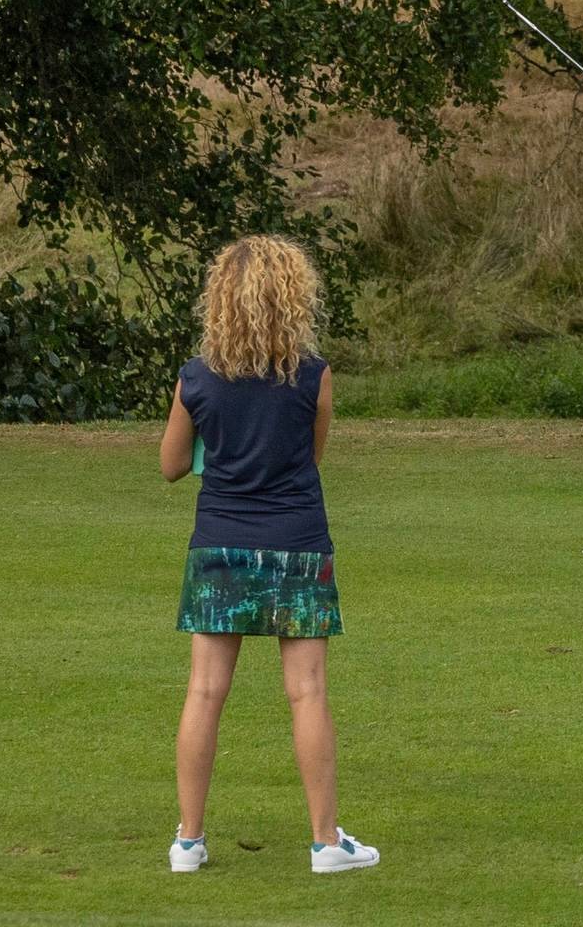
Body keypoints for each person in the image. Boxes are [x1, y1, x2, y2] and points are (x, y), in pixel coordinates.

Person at [156, 235, 379, 875]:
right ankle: (325, 842)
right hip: (298, 544)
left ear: (219, 299)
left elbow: (171, 466)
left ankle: (189, 843)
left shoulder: (195, 378)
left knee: (204, 691)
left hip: (220, 543)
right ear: (294, 299)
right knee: (307, 692)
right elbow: (310, 456)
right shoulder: (314, 375)